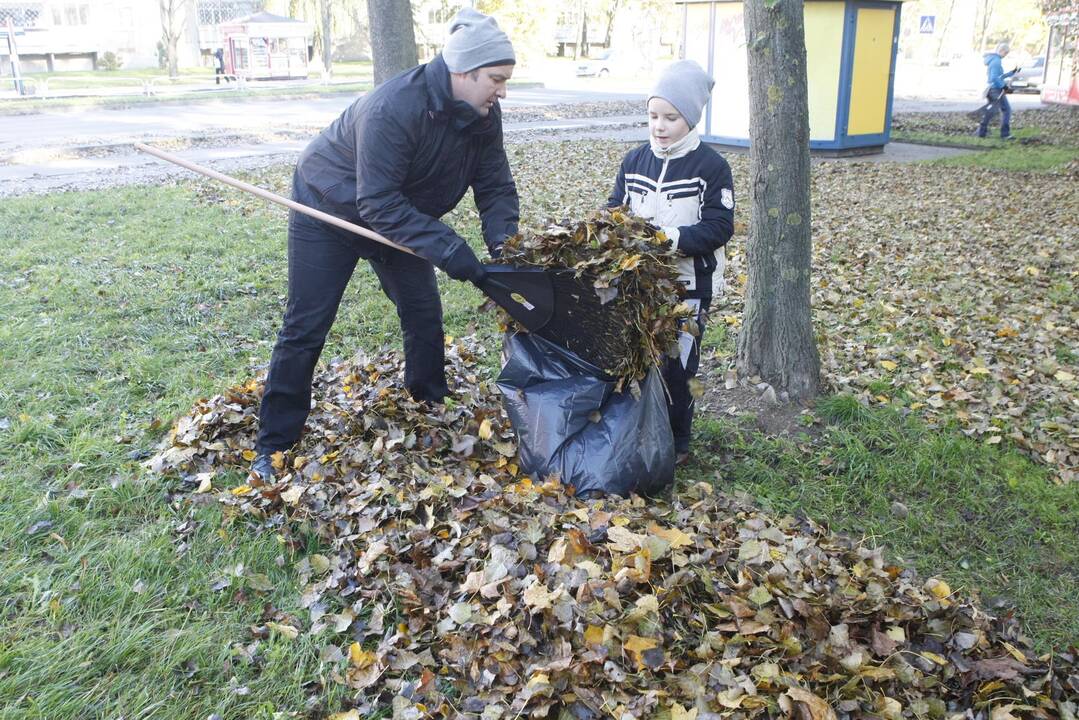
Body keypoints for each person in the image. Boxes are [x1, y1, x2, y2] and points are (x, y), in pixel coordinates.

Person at [251, 8, 519, 480]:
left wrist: (505, 250)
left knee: (422, 312)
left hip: (400, 214)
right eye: (496, 78)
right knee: (307, 324)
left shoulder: (482, 115)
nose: (502, 90)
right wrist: (453, 252)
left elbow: (495, 186)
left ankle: (430, 405)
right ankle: (274, 445)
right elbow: (375, 202)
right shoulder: (393, 107)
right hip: (331, 206)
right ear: (463, 71)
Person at [607, 59, 734, 466]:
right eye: (653, 116)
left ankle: (679, 441)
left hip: (687, 286)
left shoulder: (711, 168)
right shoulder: (634, 161)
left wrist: (671, 240)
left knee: (678, 365)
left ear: (691, 118)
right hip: (639, 283)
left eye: (671, 118)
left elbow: (719, 226)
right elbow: (614, 209)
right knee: (637, 357)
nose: (660, 126)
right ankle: (640, 431)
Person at [977, 42, 1019, 140]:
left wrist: (1012, 72)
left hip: (991, 89)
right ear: (1002, 51)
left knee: (991, 111)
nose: (1005, 56)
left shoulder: (992, 59)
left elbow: (999, 76)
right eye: (1006, 53)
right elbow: (994, 77)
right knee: (1007, 110)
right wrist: (1004, 87)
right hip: (995, 89)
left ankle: (981, 132)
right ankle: (1005, 134)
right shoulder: (996, 61)